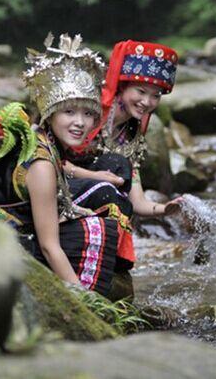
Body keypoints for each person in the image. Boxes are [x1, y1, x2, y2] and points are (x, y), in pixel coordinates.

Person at [0, 34, 118, 296]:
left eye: (88, 114)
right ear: (50, 114)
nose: (80, 123)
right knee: (97, 230)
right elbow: (50, 247)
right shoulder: (42, 164)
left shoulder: (41, 139)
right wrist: (85, 304)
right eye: (69, 112)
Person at [65, 41, 185, 267]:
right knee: (113, 171)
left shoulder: (132, 136)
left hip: (92, 195)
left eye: (156, 96)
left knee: (117, 171)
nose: (147, 102)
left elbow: (137, 201)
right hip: (53, 188)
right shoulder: (87, 111)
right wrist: (97, 177)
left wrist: (166, 209)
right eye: (140, 91)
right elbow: (45, 157)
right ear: (122, 86)